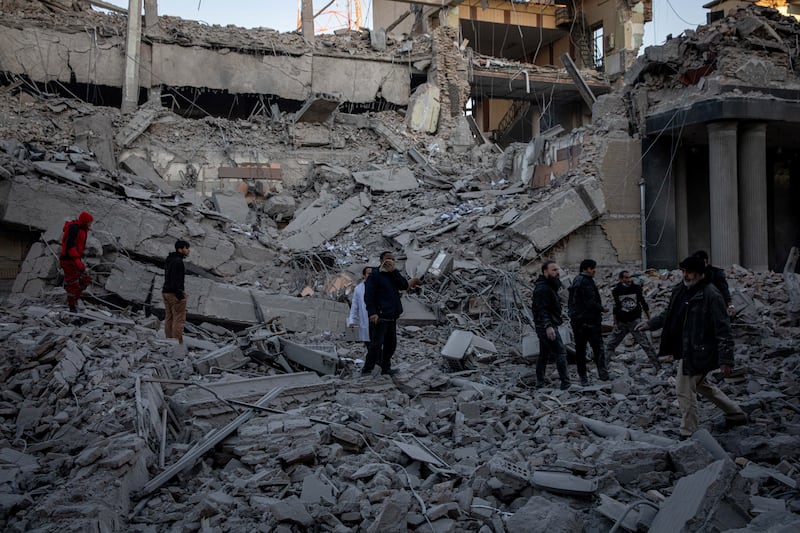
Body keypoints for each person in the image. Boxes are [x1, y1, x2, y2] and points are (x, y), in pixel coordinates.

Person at [636, 255, 747, 437]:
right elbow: (669, 313)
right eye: (683, 271)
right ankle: (736, 414)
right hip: (687, 348)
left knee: (683, 389)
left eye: (689, 272)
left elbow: (723, 329)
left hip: (700, 351)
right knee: (703, 386)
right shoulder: (681, 289)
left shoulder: (712, 295)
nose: (685, 275)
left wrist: (726, 359)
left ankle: (688, 431)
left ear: (700, 273)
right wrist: (650, 324)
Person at [362, 251, 421, 376]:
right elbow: (368, 296)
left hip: (392, 317)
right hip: (380, 317)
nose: (390, 261)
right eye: (388, 259)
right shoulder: (375, 275)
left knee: (391, 345)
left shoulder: (393, 275)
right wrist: (372, 313)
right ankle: (367, 370)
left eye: (392, 259)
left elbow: (404, 286)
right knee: (376, 346)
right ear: (381, 260)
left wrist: (394, 272)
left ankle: (386, 368)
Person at [568, 259, 610, 385]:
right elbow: (590, 302)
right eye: (592, 268)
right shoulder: (586, 282)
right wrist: (602, 308)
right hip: (589, 321)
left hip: (578, 322)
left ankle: (583, 377)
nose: (594, 271)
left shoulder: (576, 280)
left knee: (580, 350)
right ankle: (602, 375)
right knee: (598, 348)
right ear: (585, 269)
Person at [606, 270, 659, 367]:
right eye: (626, 278)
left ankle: (657, 365)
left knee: (645, 344)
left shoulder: (636, 288)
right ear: (621, 279)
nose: (629, 279)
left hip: (635, 321)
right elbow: (616, 307)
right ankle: (603, 366)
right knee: (611, 344)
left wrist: (649, 318)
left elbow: (643, 303)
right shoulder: (617, 290)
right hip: (622, 322)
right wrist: (615, 323)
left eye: (629, 277)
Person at [531, 260, 571, 390]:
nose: (557, 272)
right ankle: (566, 383)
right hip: (546, 326)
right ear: (545, 272)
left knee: (544, 354)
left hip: (546, 325)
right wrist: (548, 326)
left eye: (558, 270)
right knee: (560, 352)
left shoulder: (549, 286)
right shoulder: (543, 288)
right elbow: (541, 309)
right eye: (553, 270)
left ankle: (540, 382)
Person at [59, 211, 93, 313]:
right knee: (72, 283)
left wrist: (79, 259)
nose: (90, 224)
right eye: (89, 222)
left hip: (76, 258)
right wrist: (77, 261)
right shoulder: (74, 228)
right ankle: (72, 306)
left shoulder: (83, 229)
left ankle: (75, 299)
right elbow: (70, 245)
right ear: (85, 222)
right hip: (68, 259)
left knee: (85, 279)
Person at [162, 240, 190, 344]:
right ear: (180, 249)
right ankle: (177, 344)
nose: (188, 250)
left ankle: (168, 342)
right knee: (179, 319)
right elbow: (176, 280)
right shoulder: (178, 262)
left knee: (169, 317)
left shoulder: (170, 259)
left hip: (166, 292)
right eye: (186, 248)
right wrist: (180, 295)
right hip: (174, 294)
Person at [693, 250, 736, 317]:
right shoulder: (693, 274)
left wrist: (730, 306)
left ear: (705, 262)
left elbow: (724, 291)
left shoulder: (716, 273)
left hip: (714, 307)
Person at [348, 266, 373, 349]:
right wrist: (352, 320)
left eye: (372, 274)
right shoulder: (359, 289)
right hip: (365, 320)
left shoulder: (379, 287)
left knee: (377, 343)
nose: (371, 275)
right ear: (364, 275)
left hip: (377, 320)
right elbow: (355, 306)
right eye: (369, 273)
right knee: (369, 344)